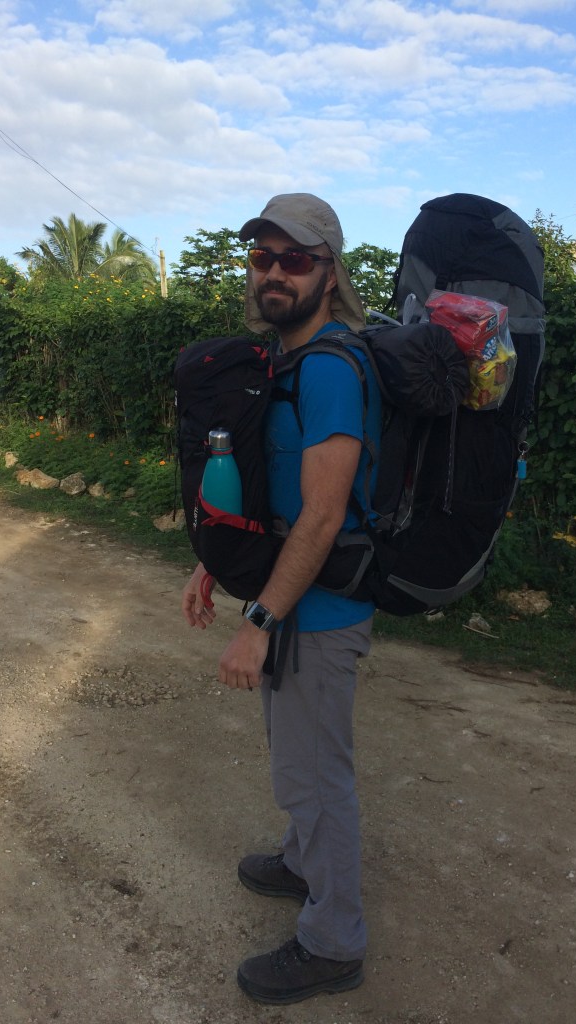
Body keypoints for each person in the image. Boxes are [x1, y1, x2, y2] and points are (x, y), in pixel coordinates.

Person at [182, 193, 382, 1005]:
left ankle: (334, 943)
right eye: (262, 257)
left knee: (316, 779)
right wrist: (214, 563)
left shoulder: (330, 369)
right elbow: (274, 493)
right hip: (291, 600)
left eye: (294, 259)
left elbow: (324, 514)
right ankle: (303, 863)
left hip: (318, 614)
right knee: (297, 763)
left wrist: (259, 620)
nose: (274, 273)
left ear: (330, 274)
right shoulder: (287, 361)